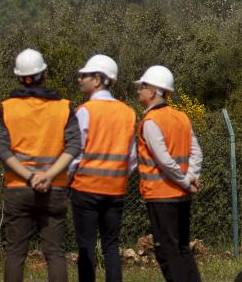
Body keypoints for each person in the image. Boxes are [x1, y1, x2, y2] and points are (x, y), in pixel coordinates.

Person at [0, 48, 81, 282]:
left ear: (18, 77)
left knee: (15, 254)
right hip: (54, 188)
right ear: (44, 73)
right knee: (55, 254)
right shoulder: (63, 107)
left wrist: (30, 177)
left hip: (18, 188)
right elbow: (74, 146)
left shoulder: (7, 108)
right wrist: (48, 176)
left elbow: (2, 149)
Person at [69, 54, 137, 282]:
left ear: (98, 80)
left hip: (85, 188)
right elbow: (132, 157)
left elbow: (75, 154)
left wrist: (67, 180)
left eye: (85, 75)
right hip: (115, 190)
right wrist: (117, 177)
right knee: (111, 246)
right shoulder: (128, 113)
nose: (80, 79)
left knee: (86, 246)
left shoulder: (85, 111)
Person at [136, 65, 203, 282]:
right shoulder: (181, 117)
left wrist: (185, 181)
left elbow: (163, 160)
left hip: (162, 195)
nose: (139, 91)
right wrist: (191, 177)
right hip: (182, 196)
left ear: (153, 91)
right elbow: (196, 152)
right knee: (182, 248)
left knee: (167, 252)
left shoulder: (151, 122)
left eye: (142, 87)